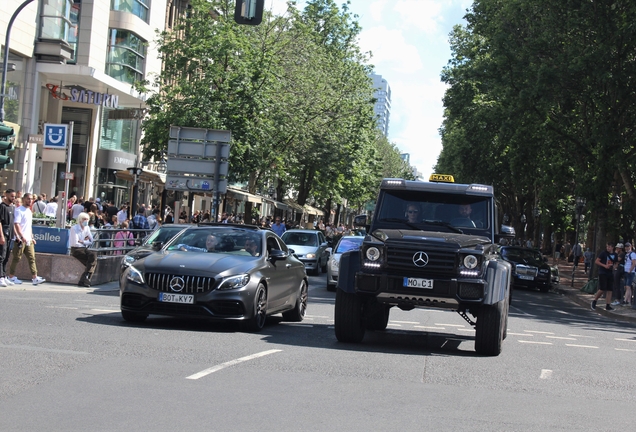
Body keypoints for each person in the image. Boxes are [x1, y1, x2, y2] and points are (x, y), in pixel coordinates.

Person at [7, 193, 45, 285]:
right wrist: (21, 236)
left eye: (31, 199)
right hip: (20, 239)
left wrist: (32, 237)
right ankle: (11, 276)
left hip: (28, 239)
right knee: (17, 257)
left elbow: (29, 226)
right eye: (28, 199)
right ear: (23, 199)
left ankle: (35, 277)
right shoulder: (19, 210)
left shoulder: (29, 211)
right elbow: (16, 224)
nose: (30, 201)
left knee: (32, 258)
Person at [69, 212, 97, 287]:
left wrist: (83, 241)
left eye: (87, 220)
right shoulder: (74, 228)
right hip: (76, 249)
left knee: (93, 255)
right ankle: (85, 278)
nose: (86, 221)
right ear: (80, 220)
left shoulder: (87, 228)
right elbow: (75, 243)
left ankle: (85, 278)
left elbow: (91, 240)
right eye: (85, 219)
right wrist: (84, 242)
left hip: (83, 247)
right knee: (92, 262)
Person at [591, 243, 616, 311]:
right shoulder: (603, 253)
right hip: (603, 272)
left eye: (609, 247)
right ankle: (595, 301)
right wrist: (604, 266)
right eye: (607, 247)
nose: (608, 248)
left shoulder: (615, 254)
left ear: (612, 247)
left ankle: (608, 305)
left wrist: (614, 267)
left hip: (610, 273)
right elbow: (597, 261)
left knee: (610, 289)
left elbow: (616, 263)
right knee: (602, 288)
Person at [0, 189, 16, 287]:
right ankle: (0, 277)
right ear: (6, 195)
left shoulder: (12, 207)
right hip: (4, 234)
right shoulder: (2, 207)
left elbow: (12, 222)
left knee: (7, 256)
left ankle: (4, 276)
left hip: (10, 234)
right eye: (11, 196)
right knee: (1, 256)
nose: (13, 198)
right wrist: (1, 235)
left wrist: (15, 235)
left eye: (14, 196)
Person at [622, 242, 636, 306]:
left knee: (628, 286)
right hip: (626, 271)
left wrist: (630, 270)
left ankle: (625, 301)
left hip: (630, 272)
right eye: (626, 247)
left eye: (628, 247)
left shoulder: (633, 254)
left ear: (631, 247)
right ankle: (629, 301)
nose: (627, 248)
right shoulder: (627, 254)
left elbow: (634, 263)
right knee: (627, 287)